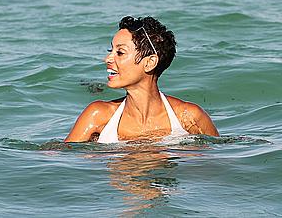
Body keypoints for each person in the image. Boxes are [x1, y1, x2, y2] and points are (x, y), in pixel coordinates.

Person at [64, 16, 219, 143]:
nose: (107, 59)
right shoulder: (98, 114)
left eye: (120, 52)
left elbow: (217, 164)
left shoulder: (188, 116)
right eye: (110, 50)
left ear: (150, 62)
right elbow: (61, 160)